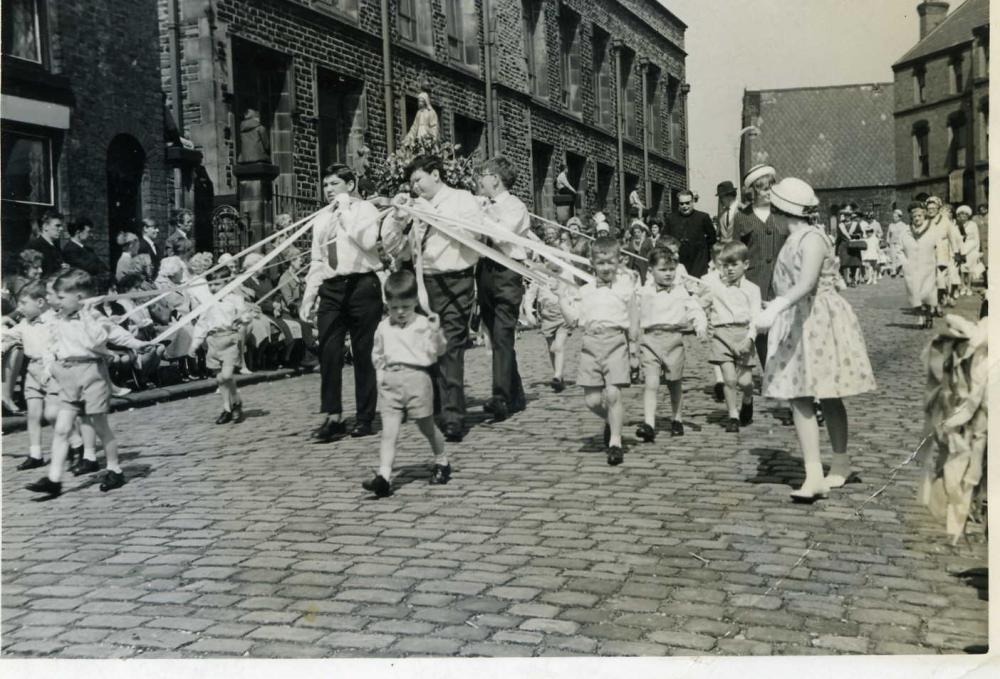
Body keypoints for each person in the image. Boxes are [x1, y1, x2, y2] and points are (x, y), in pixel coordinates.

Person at [755, 178, 876, 503]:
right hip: (799, 320)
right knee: (802, 396)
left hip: (817, 321)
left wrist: (778, 305)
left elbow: (807, 283)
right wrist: (775, 306)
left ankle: (832, 466)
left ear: (782, 211)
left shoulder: (811, 239)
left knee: (822, 393)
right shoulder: (796, 238)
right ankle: (819, 471)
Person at [24, 269, 156, 498]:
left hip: (92, 373)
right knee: (63, 428)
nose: (57, 302)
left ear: (80, 298)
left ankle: (115, 469)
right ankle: (54, 479)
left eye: (62, 297)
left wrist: (136, 343)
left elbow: (108, 336)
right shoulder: (57, 318)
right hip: (68, 375)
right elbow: (49, 338)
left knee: (100, 426)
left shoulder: (93, 318)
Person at [382, 154, 482, 442]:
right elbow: (394, 248)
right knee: (427, 349)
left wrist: (429, 212)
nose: (414, 187)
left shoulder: (462, 199)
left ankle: (453, 416)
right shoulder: (414, 206)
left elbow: (473, 234)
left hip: (455, 281)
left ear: (436, 174)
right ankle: (435, 409)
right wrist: (397, 219)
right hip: (422, 282)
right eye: (411, 182)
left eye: (418, 179)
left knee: (450, 347)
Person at [300, 164, 384, 441]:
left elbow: (369, 242)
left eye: (334, 184)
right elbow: (317, 259)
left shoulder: (365, 210)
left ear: (350, 185)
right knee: (329, 351)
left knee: (363, 353)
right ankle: (333, 416)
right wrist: (309, 295)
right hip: (332, 288)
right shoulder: (321, 218)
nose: (328, 190)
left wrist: (346, 211)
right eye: (325, 185)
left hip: (362, 285)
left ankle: (364, 417)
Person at [362, 270, 449, 497]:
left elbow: (437, 352)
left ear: (415, 302)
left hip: (417, 379)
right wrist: (381, 376)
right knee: (389, 433)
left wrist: (437, 331)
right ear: (387, 304)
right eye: (394, 307)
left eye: (406, 307)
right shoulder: (383, 327)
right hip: (391, 382)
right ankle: (384, 477)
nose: (400, 312)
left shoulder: (423, 324)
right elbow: (378, 354)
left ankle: (442, 460)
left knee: (426, 426)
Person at [557, 236, 639, 466]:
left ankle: (615, 441)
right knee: (592, 400)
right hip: (591, 345)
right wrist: (562, 300)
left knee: (613, 394)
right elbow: (574, 320)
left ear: (618, 262)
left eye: (610, 263)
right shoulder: (585, 291)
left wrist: (634, 349)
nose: (605, 268)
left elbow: (633, 318)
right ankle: (613, 421)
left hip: (616, 343)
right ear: (592, 263)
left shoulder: (625, 289)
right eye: (601, 263)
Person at [2, 281, 86, 471]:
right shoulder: (24, 323)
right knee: (33, 413)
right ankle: (35, 453)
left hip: (52, 370)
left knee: (55, 414)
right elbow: (8, 338)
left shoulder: (53, 320)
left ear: (40, 302)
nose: (19, 308)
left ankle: (77, 446)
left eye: (23, 303)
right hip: (32, 370)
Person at [634, 247, 707, 443]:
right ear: (651, 271)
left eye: (671, 269)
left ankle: (677, 418)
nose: (668, 274)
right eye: (663, 269)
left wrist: (700, 325)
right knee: (651, 382)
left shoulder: (680, 291)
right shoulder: (643, 292)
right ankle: (649, 423)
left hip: (673, 340)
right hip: (650, 340)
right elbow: (630, 310)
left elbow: (694, 308)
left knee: (674, 383)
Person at [477, 155, 530, 421]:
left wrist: (482, 214)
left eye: (482, 175)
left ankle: (500, 396)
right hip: (485, 271)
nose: (479, 180)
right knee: (495, 335)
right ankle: (516, 394)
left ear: (495, 178)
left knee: (502, 334)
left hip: (508, 271)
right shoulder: (482, 204)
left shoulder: (515, 206)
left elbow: (501, 235)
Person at [701, 241, 762, 432]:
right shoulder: (715, 286)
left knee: (745, 382)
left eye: (734, 265)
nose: (729, 270)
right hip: (721, 335)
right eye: (725, 265)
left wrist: (749, 339)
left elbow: (756, 318)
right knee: (729, 379)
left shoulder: (753, 289)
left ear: (745, 264)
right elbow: (699, 301)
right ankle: (733, 415)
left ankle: (747, 399)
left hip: (744, 335)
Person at [732, 164, 788, 367]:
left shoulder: (784, 214)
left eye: (771, 187)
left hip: (783, 280)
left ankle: (785, 369)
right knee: (762, 328)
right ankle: (770, 372)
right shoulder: (742, 217)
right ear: (752, 191)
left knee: (784, 325)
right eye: (762, 187)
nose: (767, 192)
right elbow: (735, 252)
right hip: (755, 281)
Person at [189, 269, 254, 424]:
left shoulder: (236, 299)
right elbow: (202, 324)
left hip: (230, 340)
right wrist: (195, 344)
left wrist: (243, 318)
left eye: (217, 284)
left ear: (226, 283)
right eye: (211, 285)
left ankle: (237, 401)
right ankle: (227, 408)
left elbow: (246, 315)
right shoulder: (208, 303)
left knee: (227, 375)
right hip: (213, 342)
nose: (213, 288)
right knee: (220, 378)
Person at [522, 259, 574, 393]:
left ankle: (557, 376)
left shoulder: (567, 274)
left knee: (558, 346)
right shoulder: (540, 274)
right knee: (552, 348)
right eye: (550, 260)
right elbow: (530, 294)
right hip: (547, 317)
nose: (554, 263)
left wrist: (573, 309)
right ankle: (559, 375)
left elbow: (574, 293)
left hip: (563, 315)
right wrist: (529, 311)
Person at [664, 189, 716, 277]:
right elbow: (665, 239)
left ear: (692, 202)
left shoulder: (703, 217)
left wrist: (703, 252)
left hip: (698, 261)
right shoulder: (671, 218)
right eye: (682, 204)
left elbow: (712, 239)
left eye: (687, 203)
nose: (685, 206)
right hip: (679, 260)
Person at [925, 196, 963, 308]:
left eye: (933, 208)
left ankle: (943, 295)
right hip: (929, 252)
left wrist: (956, 253)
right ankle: (936, 301)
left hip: (943, 251)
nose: (931, 210)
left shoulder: (945, 221)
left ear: (938, 208)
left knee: (941, 277)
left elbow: (952, 238)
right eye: (929, 208)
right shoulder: (925, 221)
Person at [62, 218, 109, 285]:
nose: (90, 235)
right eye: (88, 232)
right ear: (78, 232)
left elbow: (102, 265)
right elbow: (88, 268)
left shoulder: (88, 249)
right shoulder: (69, 250)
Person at [955, 205, 984, 297]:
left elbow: (976, 238)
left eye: (965, 214)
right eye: (961, 214)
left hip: (971, 248)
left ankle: (969, 287)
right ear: (958, 215)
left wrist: (977, 251)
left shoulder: (973, 224)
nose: (963, 216)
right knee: (962, 269)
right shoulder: (957, 225)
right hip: (962, 248)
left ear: (968, 216)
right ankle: (963, 286)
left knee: (970, 269)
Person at [27, 210, 65, 276]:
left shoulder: (55, 246)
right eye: (57, 226)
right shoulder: (35, 246)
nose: (61, 229)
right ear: (45, 227)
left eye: (61, 226)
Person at [835, 207, 865, 287]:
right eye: (845, 215)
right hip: (844, 246)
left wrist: (856, 235)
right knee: (845, 263)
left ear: (851, 216)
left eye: (848, 215)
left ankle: (853, 280)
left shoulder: (856, 224)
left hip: (853, 246)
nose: (847, 217)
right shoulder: (840, 225)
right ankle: (846, 280)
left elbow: (861, 234)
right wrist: (836, 251)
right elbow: (838, 238)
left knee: (854, 263)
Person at [885, 209, 909, 277]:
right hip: (892, 243)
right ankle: (893, 271)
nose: (894, 218)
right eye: (894, 217)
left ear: (899, 217)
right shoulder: (891, 225)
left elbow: (905, 234)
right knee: (893, 257)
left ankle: (902, 271)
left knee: (900, 257)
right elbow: (888, 234)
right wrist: (887, 241)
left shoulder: (903, 225)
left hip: (900, 243)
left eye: (896, 217)